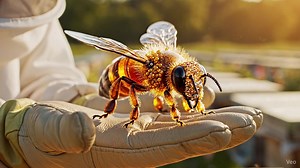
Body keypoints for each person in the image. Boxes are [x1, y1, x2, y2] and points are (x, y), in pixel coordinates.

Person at [0, 0, 263, 167]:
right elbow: (132, 83)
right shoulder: (158, 72)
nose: (190, 86)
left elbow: (42, 66)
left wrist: (71, 97)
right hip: (117, 76)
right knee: (132, 83)